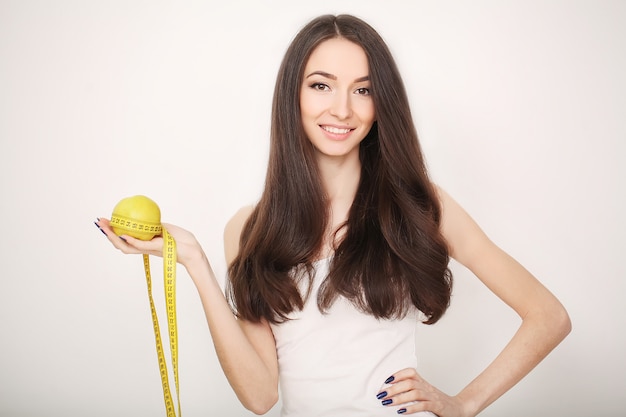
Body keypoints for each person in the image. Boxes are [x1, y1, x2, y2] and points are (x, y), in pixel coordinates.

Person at [95, 14, 571, 417]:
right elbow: (261, 396)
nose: (341, 109)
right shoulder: (248, 229)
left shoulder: (423, 207)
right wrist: (194, 260)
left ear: (382, 103)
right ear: (293, 96)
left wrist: (464, 404)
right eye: (321, 85)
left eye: (362, 90)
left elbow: (548, 316)